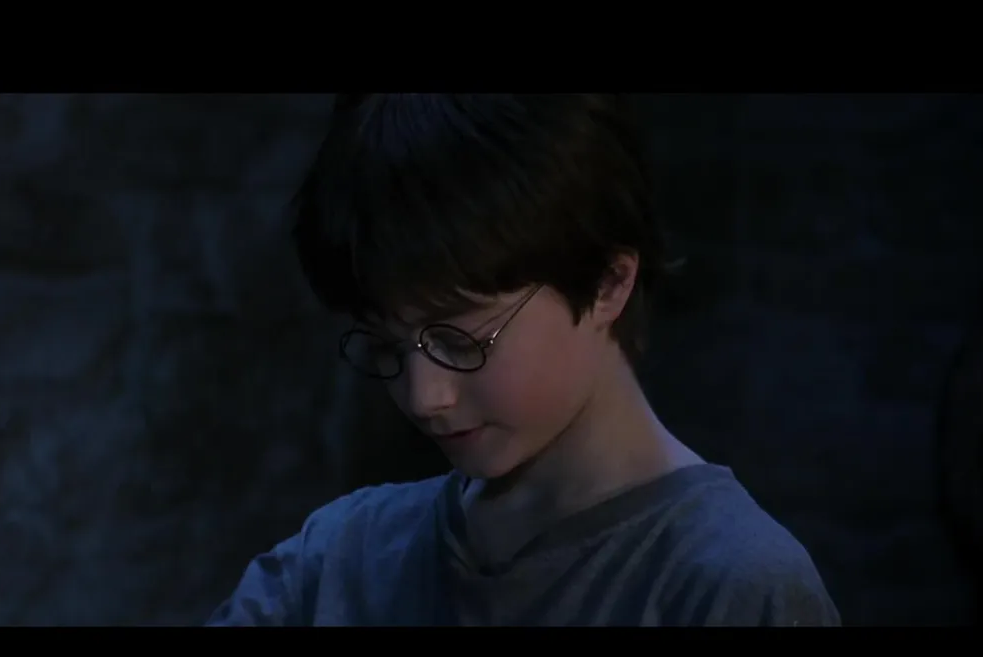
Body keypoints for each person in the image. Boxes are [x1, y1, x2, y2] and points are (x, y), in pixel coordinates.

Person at [207, 94, 840, 626]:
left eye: (462, 341)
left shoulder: (730, 586)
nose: (425, 397)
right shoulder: (335, 562)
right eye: (387, 348)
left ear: (608, 283)